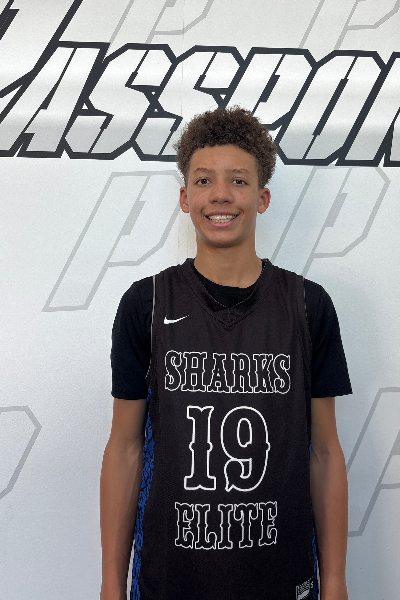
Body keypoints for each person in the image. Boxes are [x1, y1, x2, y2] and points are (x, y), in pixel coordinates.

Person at [100, 107, 351, 600]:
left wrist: (336, 582)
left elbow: (324, 452)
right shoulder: (146, 304)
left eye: (238, 180)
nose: (220, 194)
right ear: (185, 197)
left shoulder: (308, 306)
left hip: (282, 576)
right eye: (203, 180)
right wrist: (111, 584)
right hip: (171, 578)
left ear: (262, 197)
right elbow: (125, 447)